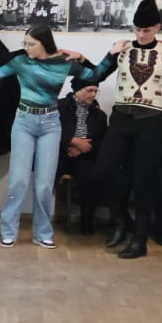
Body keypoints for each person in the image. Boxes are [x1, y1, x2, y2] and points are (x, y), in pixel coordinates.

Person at [0, 25, 104, 247]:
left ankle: (43, 233)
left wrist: (82, 57)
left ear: (44, 44)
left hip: (50, 124)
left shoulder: (64, 63)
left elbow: (96, 75)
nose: (26, 48)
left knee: (44, 184)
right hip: (24, 122)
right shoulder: (21, 62)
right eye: (25, 43)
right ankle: (8, 230)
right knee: (18, 181)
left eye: (31, 44)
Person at [87, 0, 162, 259]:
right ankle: (120, 220)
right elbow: (95, 75)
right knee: (102, 172)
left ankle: (140, 240)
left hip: (150, 121)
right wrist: (106, 55)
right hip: (121, 119)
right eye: (137, 29)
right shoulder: (124, 49)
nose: (141, 35)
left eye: (146, 30)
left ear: (157, 28)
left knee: (143, 181)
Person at [56, 79, 107, 235]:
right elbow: (50, 130)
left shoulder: (99, 115)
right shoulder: (59, 107)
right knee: (46, 177)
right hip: (60, 153)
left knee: (91, 179)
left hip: (85, 155)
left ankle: (86, 221)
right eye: (89, 90)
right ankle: (42, 221)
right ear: (77, 90)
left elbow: (102, 140)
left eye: (96, 91)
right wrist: (72, 141)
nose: (93, 94)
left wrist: (85, 148)